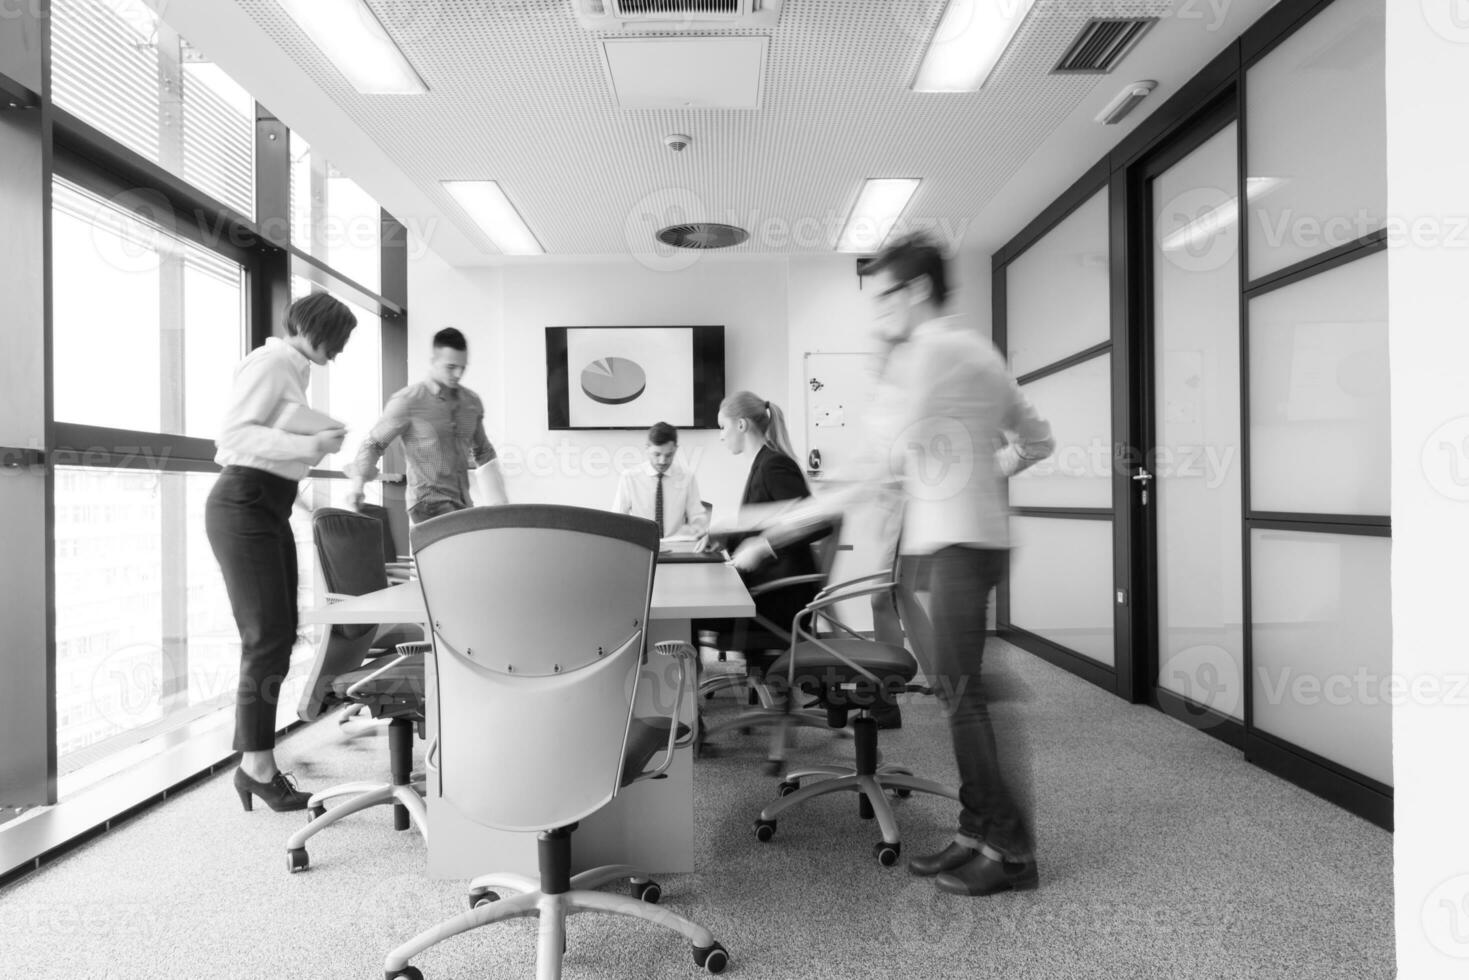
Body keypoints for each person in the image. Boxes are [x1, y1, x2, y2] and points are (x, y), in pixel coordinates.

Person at [730, 234, 1054, 897]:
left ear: (915, 292)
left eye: (883, 297)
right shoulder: (975, 352)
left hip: (952, 549)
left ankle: (1011, 852)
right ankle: (975, 831)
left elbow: (867, 470)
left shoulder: (927, 354)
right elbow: (1038, 440)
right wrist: (974, 479)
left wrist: (771, 536)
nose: (877, 314)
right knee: (961, 695)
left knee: (963, 700)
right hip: (962, 543)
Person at [206, 292, 357, 812]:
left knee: (278, 634)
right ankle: (256, 768)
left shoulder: (292, 369)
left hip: (266, 504)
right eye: (337, 341)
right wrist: (312, 446)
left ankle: (256, 764)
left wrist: (317, 437)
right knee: (265, 637)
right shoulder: (273, 361)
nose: (337, 353)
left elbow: (276, 427)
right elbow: (232, 436)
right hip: (243, 501)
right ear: (316, 328)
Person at [346, 327, 507, 522]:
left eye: (462, 368)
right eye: (450, 367)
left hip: (462, 503)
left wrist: (502, 509)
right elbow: (374, 444)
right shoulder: (408, 401)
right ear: (433, 362)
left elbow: (483, 452)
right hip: (427, 504)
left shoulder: (471, 403)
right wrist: (357, 486)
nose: (457, 374)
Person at [612, 421, 708, 538]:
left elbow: (697, 517)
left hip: (676, 548)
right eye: (657, 454)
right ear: (647, 449)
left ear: (676, 450)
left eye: (669, 455)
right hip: (642, 546)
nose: (662, 461)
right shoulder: (630, 478)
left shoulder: (686, 477)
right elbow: (617, 520)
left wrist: (695, 530)